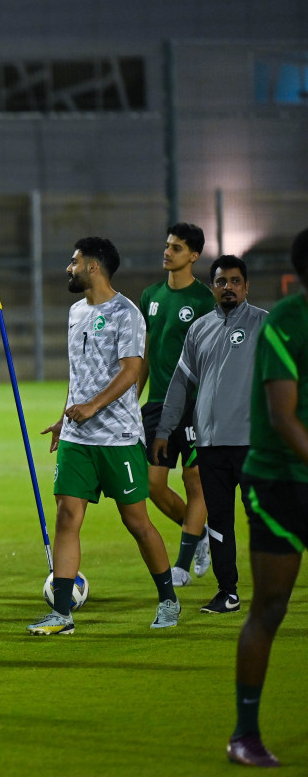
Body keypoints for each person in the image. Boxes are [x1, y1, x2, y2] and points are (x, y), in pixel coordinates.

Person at [30, 237, 180, 634]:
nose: (69, 267)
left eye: (74, 261)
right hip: (79, 439)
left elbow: (132, 370)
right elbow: (77, 374)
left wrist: (93, 407)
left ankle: (168, 600)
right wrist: (66, 418)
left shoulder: (126, 313)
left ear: (93, 267)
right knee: (67, 515)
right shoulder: (76, 312)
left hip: (117, 437)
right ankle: (62, 614)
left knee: (137, 522)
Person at [226, 229, 308, 767]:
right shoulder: (286, 322)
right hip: (279, 484)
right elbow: (283, 418)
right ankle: (245, 734)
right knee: (271, 607)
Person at [154, 255, 266, 615]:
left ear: (246, 287)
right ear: (213, 287)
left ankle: (270, 591)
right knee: (218, 521)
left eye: (235, 281)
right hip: (211, 446)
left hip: (252, 444)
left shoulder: (265, 324)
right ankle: (227, 592)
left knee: (265, 520)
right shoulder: (199, 328)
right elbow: (179, 385)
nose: (228, 287)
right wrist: (163, 430)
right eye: (221, 282)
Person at [138, 223, 216, 586]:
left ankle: (183, 561)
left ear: (194, 256)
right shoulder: (150, 295)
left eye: (178, 248)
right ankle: (199, 532)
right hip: (158, 404)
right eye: (168, 245)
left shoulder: (204, 300)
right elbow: (145, 355)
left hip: (196, 405)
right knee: (153, 485)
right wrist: (131, 398)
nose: (168, 252)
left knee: (194, 478)